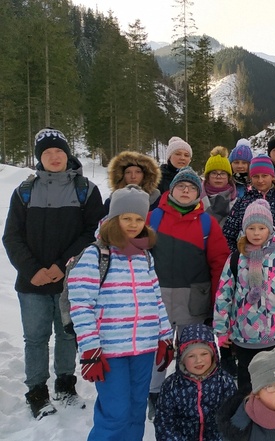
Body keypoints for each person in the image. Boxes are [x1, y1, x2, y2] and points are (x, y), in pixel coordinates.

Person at [3, 127, 105, 419]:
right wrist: (32, 270)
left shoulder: (86, 189)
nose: (54, 157)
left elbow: (92, 233)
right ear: (39, 158)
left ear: (67, 154)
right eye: (47, 153)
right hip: (32, 282)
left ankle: (65, 384)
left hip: (71, 280)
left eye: (59, 151)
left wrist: (62, 266)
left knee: (67, 335)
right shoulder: (24, 191)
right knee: (35, 338)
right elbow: (12, 237)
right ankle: (36, 392)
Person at [67, 185, 171, 438]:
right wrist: (90, 348)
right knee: (116, 413)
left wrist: (165, 336)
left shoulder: (145, 256)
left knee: (136, 411)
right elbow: (81, 304)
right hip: (110, 350)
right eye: (127, 218)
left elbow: (156, 298)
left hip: (143, 348)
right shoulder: (95, 255)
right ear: (114, 219)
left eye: (138, 219)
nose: (133, 224)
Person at [147, 166, 230, 418]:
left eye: (191, 187)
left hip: (194, 300)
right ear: (171, 190)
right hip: (157, 299)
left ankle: (189, 394)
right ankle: (155, 394)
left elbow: (219, 263)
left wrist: (217, 302)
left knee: (191, 349)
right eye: (181, 186)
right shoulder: (153, 218)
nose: (185, 190)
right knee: (156, 350)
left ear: (198, 192)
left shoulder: (208, 222)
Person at [214, 198, 275, 393]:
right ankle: (247, 415)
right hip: (243, 333)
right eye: (251, 228)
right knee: (247, 380)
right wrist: (221, 329)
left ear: (269, 230)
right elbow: (224, 294)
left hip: (273, 332)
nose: (256, 233)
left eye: (261, 228)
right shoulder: (236, 258)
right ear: (244, 230)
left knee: (270, 379)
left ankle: (268, 414)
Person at [155, 323, 237, 441]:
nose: (199, 360)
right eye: (191, 356)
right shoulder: (171, 385)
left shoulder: (224, 382)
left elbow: (233, 419)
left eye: (204, 354)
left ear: (213, 354)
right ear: (182, 358)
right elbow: (163, 424)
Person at [223, 154, 275, 253]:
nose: (260, 180)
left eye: (264, 176)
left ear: (272, 176)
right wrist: (238, 257)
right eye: (256, 176)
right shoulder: (242, 203)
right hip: (244, 262)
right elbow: (228, 234)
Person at [203, 146, 237, 227]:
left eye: (222, 173)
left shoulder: (237, 200)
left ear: (228, 177)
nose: (218, 177)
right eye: (214, 173)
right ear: (208, 176)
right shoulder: (196, 197)